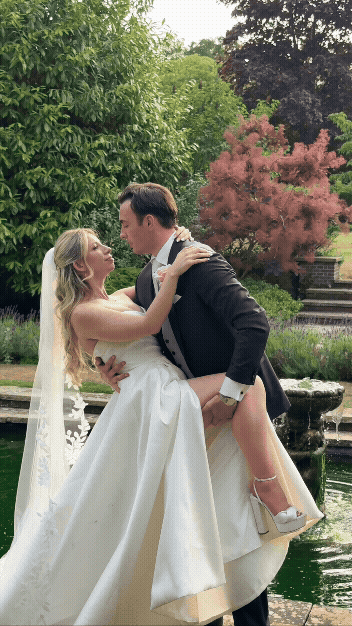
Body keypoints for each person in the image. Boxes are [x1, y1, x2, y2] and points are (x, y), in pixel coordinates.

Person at [0, 226, 322, 626]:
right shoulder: (81, 312)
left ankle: (260, 496)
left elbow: (148, 290)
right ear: (81, 265)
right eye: (98, 247)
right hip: (154, 399)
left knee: (237, 406)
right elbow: (151, 323)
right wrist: (175, 268)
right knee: (246, 385)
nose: (110, 246)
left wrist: (177, 240)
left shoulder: (116, 296)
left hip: (164, 390)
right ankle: (267, 487)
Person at [95, 182, 322, 626]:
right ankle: (208, 617)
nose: (121, 234)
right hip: (192, 419)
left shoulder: (199, 261)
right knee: (203, 523)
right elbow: (117, 317)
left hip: (237, 412)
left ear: (147, 220)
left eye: (125, 225)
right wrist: (105, 361)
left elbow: (254, 323)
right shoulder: (148, 277)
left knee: (237, 529)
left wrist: (231, 394)